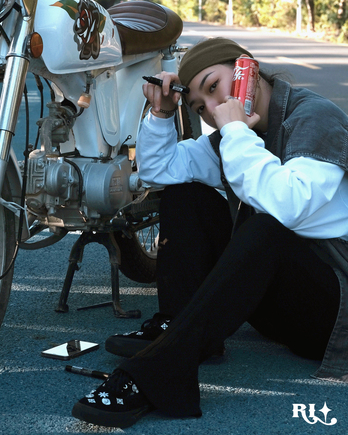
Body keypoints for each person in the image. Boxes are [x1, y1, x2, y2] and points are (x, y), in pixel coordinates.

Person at [72, 37, 348, 429]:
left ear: (247, 70)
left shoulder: (313, 117)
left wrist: (235, 131)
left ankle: (163, 371)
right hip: (279, 307)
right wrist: (162, 114)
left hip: (331, 316)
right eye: (200, 106)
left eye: (214, 87)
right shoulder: (233, 135)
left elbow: (288, 204)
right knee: (185, 192)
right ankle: (177, 325)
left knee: (267, 225)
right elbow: (161, 171)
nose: (213, 110)